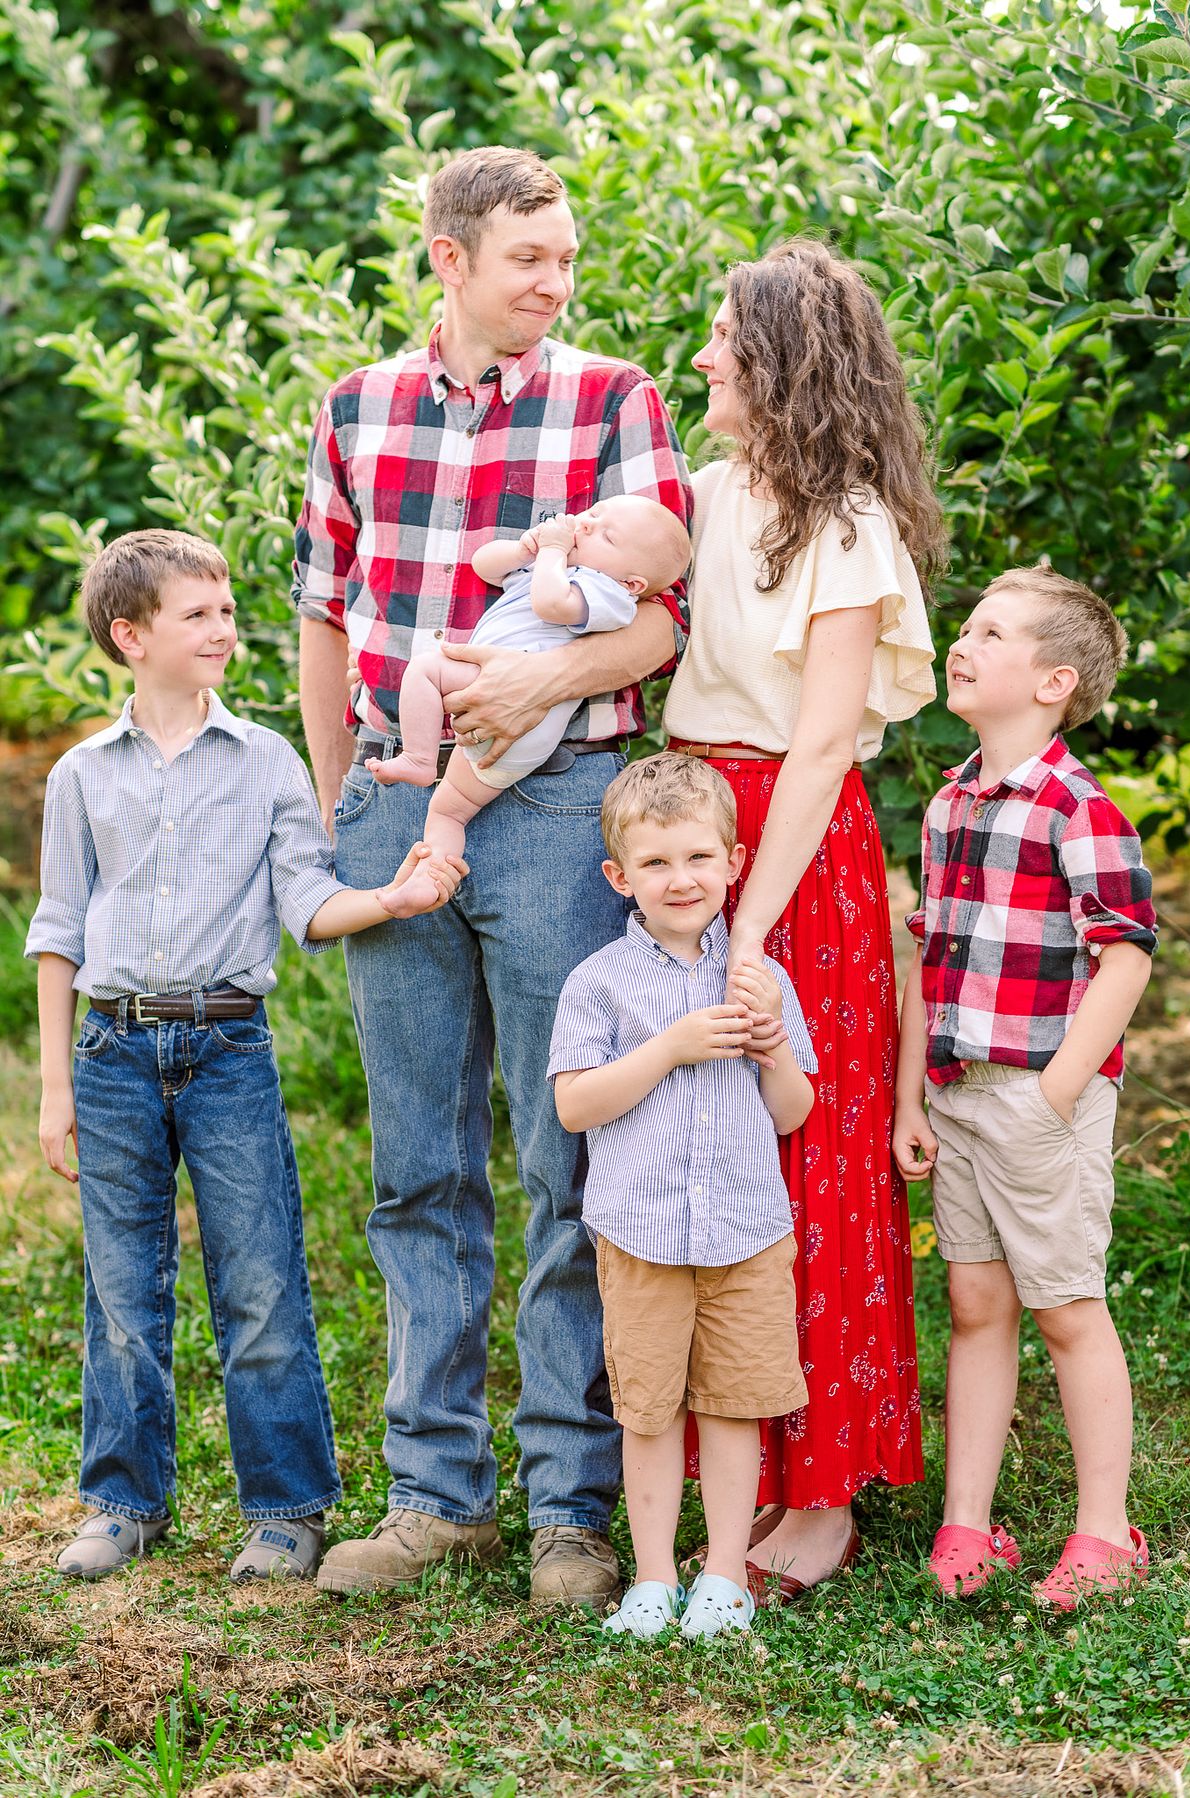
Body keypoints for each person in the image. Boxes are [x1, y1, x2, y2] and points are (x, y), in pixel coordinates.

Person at [293, 146, 691, 1603]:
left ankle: (573, 1505)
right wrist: (343, 795)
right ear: (450, 259)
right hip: (391, 807)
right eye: (531, 258)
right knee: (417, 1163)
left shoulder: (614, 400)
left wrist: (539, 692)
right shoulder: (356, 408)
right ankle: (434, 1491)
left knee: (563, 1153)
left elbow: (662, 625)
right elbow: (327, 616)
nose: (557, 282)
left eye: (567, 258)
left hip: (563, 807)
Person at [26, 530, 466, 1583]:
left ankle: (285, 1507)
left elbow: (307, 901)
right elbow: (58, 930)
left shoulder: (266, 760)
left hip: (227, 1047)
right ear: (131, 636)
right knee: (122, 1287)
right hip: (112, 1050)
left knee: (261, 1280)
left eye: (227, 609)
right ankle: (124, 1499)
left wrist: (394, 898)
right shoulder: (81, 775)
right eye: (198, 614)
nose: (224, 628)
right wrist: (54, 1089)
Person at [662, 237, 947, 1593]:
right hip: (695, 831)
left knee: (810, 1155)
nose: (704, 356)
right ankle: (741, 1466)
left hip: (792, 856)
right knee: (708, 1153)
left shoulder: (849, 526)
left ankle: (822, 1489)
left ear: (780, 360)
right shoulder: (712, 497)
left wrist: (753, 928)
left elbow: (827, 745)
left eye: (723, 336)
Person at [892, 567, 1156, 1611]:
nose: (964, 642)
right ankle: (970, 1518)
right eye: (966, 627)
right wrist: (914, 1096)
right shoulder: (952, 799)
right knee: (975, 1299)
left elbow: (1125, 959)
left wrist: (1052, 1094)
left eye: (991, 632)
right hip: (957, 1092)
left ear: (1052, 680)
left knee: (1067, 1307)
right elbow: (929, 960)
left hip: (1037, 1097)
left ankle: (1104, 1530)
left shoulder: (1077, 807)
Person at [548, 755, 817, 1638]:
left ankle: (725, 1577)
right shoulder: (599, 981)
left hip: (745, 1229)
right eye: (656, 864)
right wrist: (669, 1046)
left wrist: (772, 1043)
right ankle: (657, 1578)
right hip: (642, 1234)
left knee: (736, 1404)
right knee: (651, 1408)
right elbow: (574, 1103)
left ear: (735, 864)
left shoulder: (757, 978)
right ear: (619, 878)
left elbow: (793, 1110)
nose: (681, 879)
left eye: (700, 858)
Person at [366, 499, 691, 907]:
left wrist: (552, 553)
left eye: (607, 535)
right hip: (514, 736)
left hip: (524, 711)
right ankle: (432, 878)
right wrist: (525, 550)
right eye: (593, 514)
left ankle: (418, 757)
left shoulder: (607, 593)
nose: (587, 526)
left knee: (426, 670)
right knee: (449, 811)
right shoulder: (553, 569)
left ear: (633, 583)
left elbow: (550, 604)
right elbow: (484, 565)